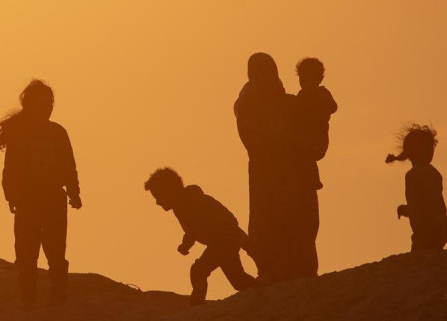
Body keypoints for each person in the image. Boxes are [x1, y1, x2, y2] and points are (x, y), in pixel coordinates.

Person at [0, 80, 82, 308]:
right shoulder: (19, 135)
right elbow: (10, 168)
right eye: (44, 103)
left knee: (56, 251)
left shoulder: (58, 132)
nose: (49, 107)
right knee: (26, 253)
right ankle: (28, 298)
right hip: (27, 201)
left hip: (53, 198)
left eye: (51, 103)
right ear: (31, 105)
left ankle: (58, 295)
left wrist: (74, 192)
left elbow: (69, 165)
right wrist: (11, 195)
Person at [234, 53, 320, 283]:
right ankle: (270, 272)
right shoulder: (247, 104)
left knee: (301, 225)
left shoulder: (288, 103)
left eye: (271, 70)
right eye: (262, 71)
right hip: (267, 178)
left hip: (295, 176)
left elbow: (312, 132)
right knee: (268, 226)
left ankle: (302, 272)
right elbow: (254, 140)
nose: (268, 76)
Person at [144, 168, 255, 305]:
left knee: (198, 271)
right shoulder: (182, 205)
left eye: (158, 196)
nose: (157, 202)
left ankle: (197, 305)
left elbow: (209, 223)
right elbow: (192, 230)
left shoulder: (192, 200)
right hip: (222, 242)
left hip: (223, 241)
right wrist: (186, 244)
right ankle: (261, 287)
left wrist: (241, 239)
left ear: (170, 191)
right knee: (238, 280)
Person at [386, 124, 447, 251]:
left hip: (426, 231)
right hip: (443, 228)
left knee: (419, 254)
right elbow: (432, 203)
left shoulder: (413, 176)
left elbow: (419, 205)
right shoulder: (434, 173)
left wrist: (407, 210)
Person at [294, 57, 338, 189]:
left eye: (307, 79)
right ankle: (309, 178)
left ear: (318, 79)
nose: (304, 82)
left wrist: (317, 103)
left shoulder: (322, 93)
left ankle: (312, 179)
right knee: (303, 154)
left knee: (306, 153)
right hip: (306, 135)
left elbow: (333, 107)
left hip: (317, 135)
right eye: (301, 79)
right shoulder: (302, 95)